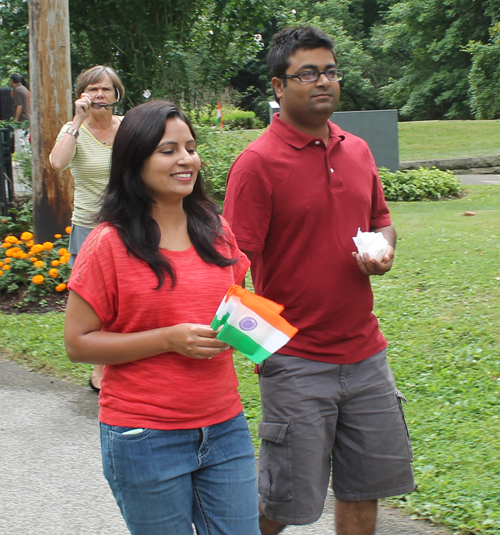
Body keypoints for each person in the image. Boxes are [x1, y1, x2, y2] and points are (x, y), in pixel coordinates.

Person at [223, 26, 415, 535]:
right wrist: (263, 352)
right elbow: (233, 267)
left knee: (364, 489)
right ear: (278, 86)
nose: (322, 81)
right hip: (298, 363)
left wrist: (384, 248)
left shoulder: (357, 150)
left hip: (367, 355)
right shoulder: (257, 164)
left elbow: (380, 219)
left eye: (329, 71)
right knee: (281, 501)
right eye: (307, 73)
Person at [63, 100, 260, 535]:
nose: (186, 159)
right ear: (136, 160)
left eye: (190, 147)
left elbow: (237, 302)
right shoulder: (108, 244)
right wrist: (168, 339)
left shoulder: (214, 227)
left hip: (224, 426)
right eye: (168, 150)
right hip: (144, 436)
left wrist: (251, 334)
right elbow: (78, 343)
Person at [50, 65, 125, 392]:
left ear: (116, 94)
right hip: (90, 227)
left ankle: (119, 359)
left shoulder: (127, 127)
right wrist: (77, 121)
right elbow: (57, 162)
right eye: (93, 89)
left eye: (106, 89)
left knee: (126, 297)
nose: (99, 95)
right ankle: (99, 368)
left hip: (128, 224)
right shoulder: (73, 129)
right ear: (83, 95)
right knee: (95, 301)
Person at [9, 73, 31, 153]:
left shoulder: (17, 91)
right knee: (25, 142)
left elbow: (19, 106)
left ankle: (20, 162)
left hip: (21, 120)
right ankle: (26, 160)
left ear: (12, 81)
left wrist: (15, 120)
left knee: (19, 142)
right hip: (27, 119)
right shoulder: (24, 89)